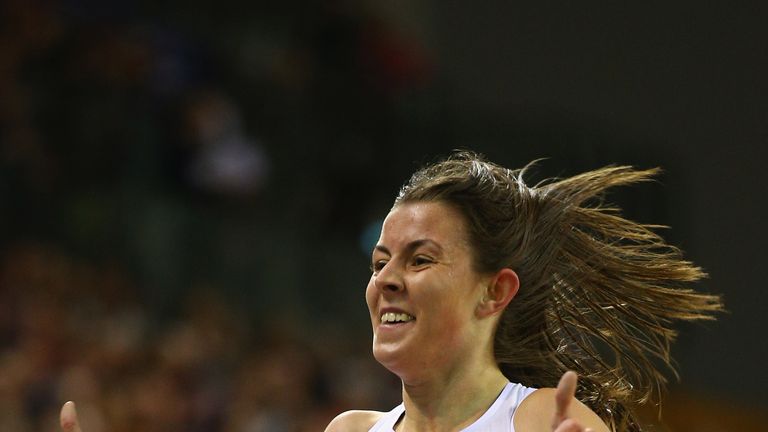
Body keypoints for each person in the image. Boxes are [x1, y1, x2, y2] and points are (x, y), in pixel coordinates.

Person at [61, 152, 722, 432]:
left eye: (420, 258)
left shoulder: (538, 420)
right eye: (380, 260)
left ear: (494, 292)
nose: (386, 280)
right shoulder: (351, 430)